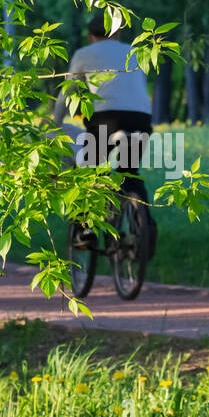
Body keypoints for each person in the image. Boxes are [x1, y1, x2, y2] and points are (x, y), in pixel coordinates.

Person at [54, 15, 156, 252]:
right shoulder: (134, 52)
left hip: (106, 119)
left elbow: (66, 94)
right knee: (130, 174)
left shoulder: (83, 54)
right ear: (117, 33)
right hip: (141, 119)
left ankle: (85, 230)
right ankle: (146, 227)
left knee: (89, 171)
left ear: (91, 36)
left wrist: (55, 123)